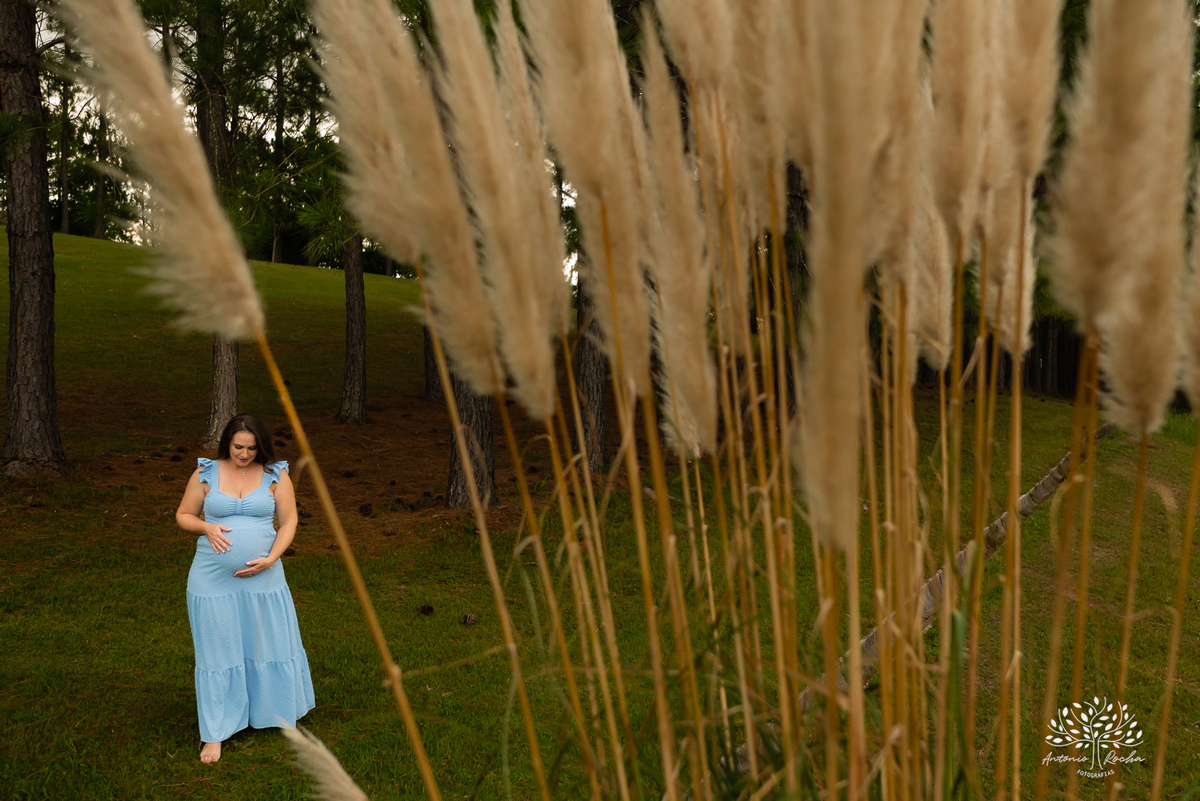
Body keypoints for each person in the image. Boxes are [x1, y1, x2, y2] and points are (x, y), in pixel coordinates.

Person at [175, 413, 315, 763]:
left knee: (268, 642)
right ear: (227, 443)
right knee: (217, 651)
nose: (244, 454)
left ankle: (277, 713)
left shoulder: (275, 474)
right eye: (238, 447)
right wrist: (207, 528)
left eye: (252, 448)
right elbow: (183, 515)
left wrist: (272, 558)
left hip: (264, 578)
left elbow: (290, 520)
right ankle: (217, 732)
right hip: (211, 577)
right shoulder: (205, 472)